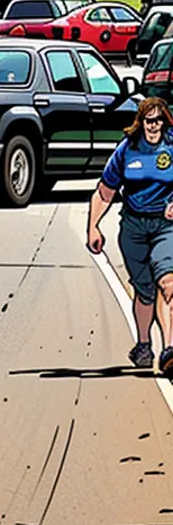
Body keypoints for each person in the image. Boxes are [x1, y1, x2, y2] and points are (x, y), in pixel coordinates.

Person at [87, 98, 173, 375]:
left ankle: (170, 349)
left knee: (168, 281)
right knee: (145, 290)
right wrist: (93, 227)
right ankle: (144, 344)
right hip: (134, 227)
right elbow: (105, 192)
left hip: (166, 224)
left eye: (158, 120)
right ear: (141, 122)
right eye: (149, 120)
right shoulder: (128, 150)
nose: (153, 125)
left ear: (165, 122)